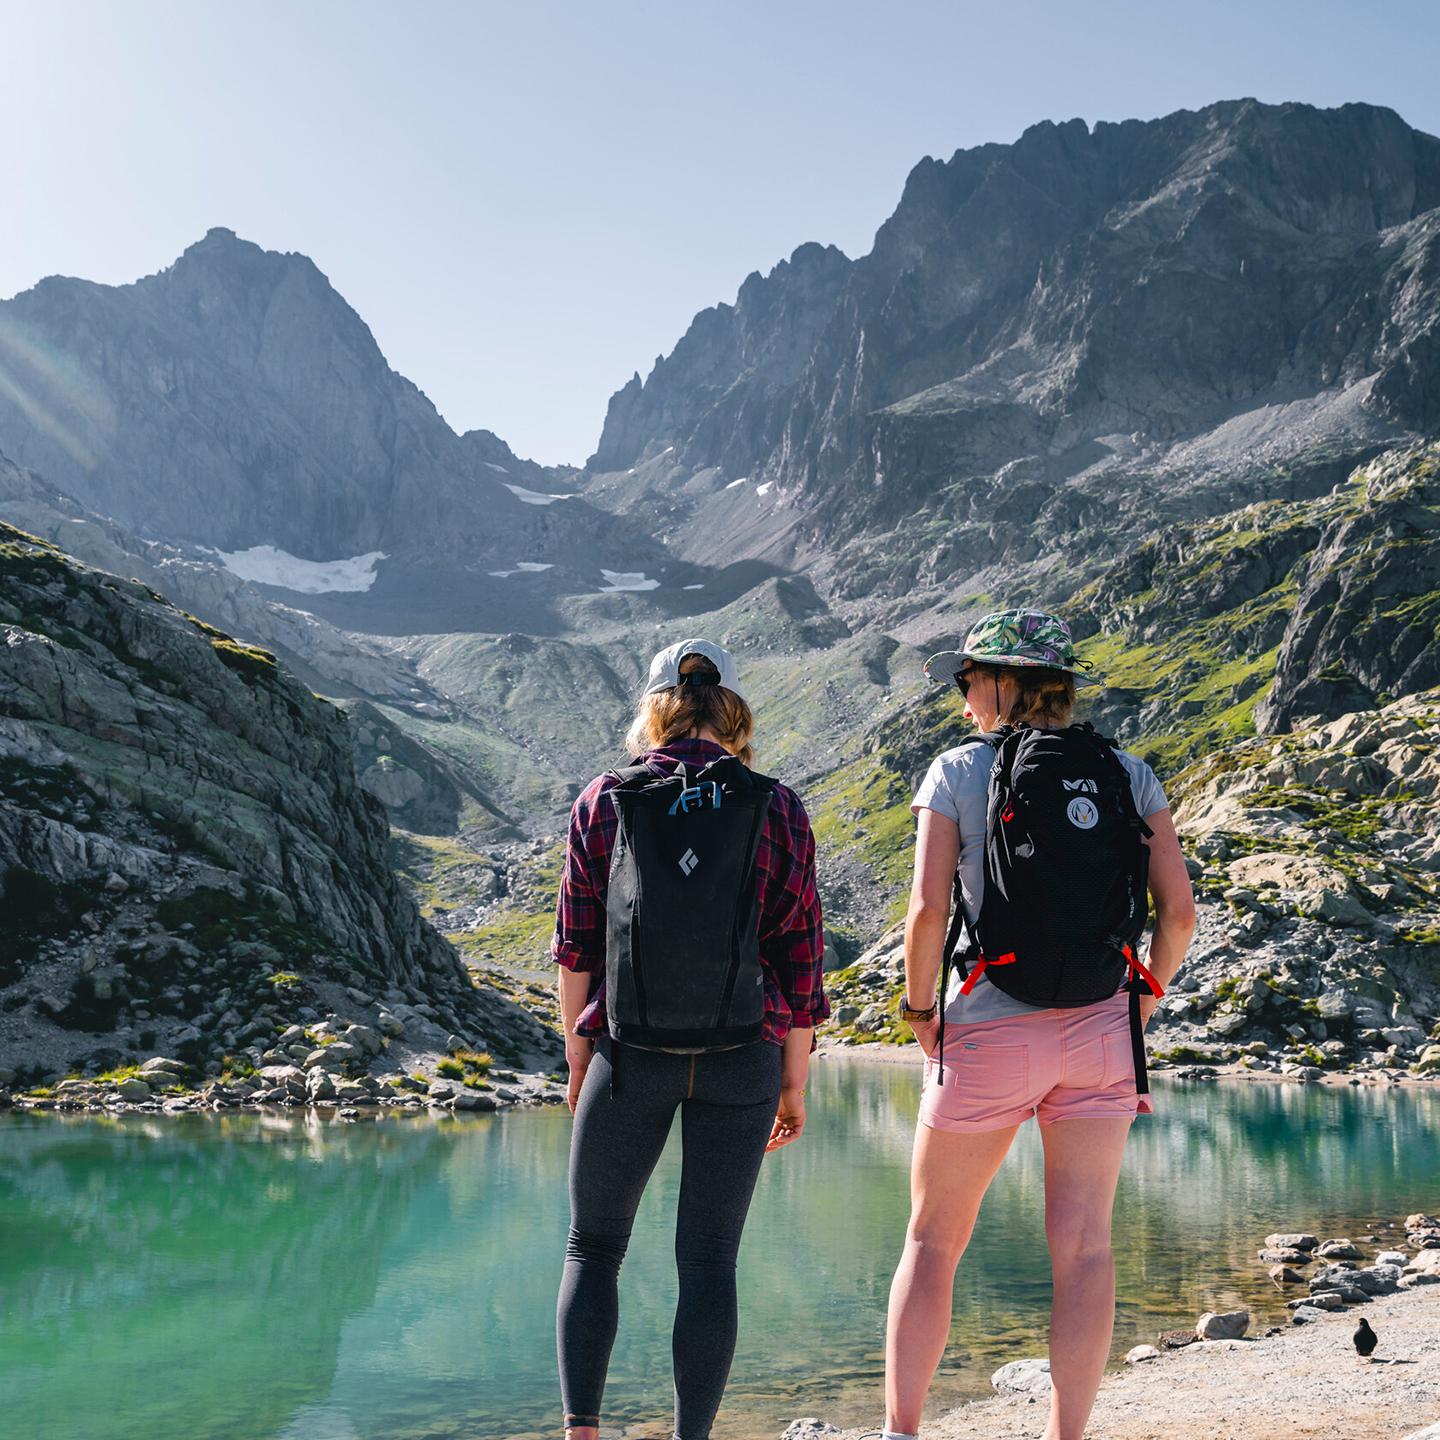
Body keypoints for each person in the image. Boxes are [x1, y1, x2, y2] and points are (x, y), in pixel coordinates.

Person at [878, 609, 1196, 1440]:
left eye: (969, 679)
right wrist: (1141, 1003)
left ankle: (901, 1432)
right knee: (1086, 1246)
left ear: (1007, 684)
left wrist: (920, 1013)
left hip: (987, 1024)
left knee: (933, 1240)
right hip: (1101, 1034)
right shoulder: (1130, 774)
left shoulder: (955, 772)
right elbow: (1180, 915)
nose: (962, 696)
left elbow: (926, 912)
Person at [552, 637, 828, 1440]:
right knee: (708, 1262)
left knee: (592, 1247)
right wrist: (794, 1081)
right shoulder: (776, 805)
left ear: (654, 708)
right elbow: (801, 959)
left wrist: (579, 1053)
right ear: (732, 709)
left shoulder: (604, 798)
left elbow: (576, 942)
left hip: (629, 1053)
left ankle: (581, 1431)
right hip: (746, 1050)